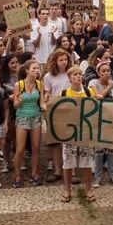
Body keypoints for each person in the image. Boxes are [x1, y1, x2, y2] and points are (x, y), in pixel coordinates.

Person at [59, 66, 97, 203]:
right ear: (69, 78)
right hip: (69, 133)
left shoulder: (88, 92)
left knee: (86, 161)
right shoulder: (64, 94)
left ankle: (88, 188)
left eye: (80, 74)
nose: (78, 76)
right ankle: (67, 189)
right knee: (68, 162)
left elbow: (95, 110)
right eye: (75, 74)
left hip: (85, 132)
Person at [89, 61, 113, 189]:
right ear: (98, 73)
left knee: (112, 149)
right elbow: (98, 96)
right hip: (98, 120)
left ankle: (112, 175)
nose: (106, 73)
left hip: (111, 120)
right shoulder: (93, 83)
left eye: (108, 71)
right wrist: (109, 86)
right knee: (99, 150)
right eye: (103, 71)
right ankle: (97, 178)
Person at [13, 60, 45, 187]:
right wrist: (19, 101)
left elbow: (41, 102)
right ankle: (17, 175)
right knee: (20, 149)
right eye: (34, 68)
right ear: (27, 70)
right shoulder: (19, 85)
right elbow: (15, 105)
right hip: (22, 117)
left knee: (36, 147)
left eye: (38, 68)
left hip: (36, 116)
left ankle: (34, 173)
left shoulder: (39, 84)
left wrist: (48, 108)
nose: (37, 70)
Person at [42, 49, 71, 183]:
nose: (64, 62)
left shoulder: (71, 74)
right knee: (54, 142)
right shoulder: (48, 76)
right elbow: (47, 93)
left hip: (70, 110)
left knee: (70, 141)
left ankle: (72, 170)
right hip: (54, 111)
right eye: (61, 60)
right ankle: (57, 170)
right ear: (55, 61)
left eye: (65, 59)